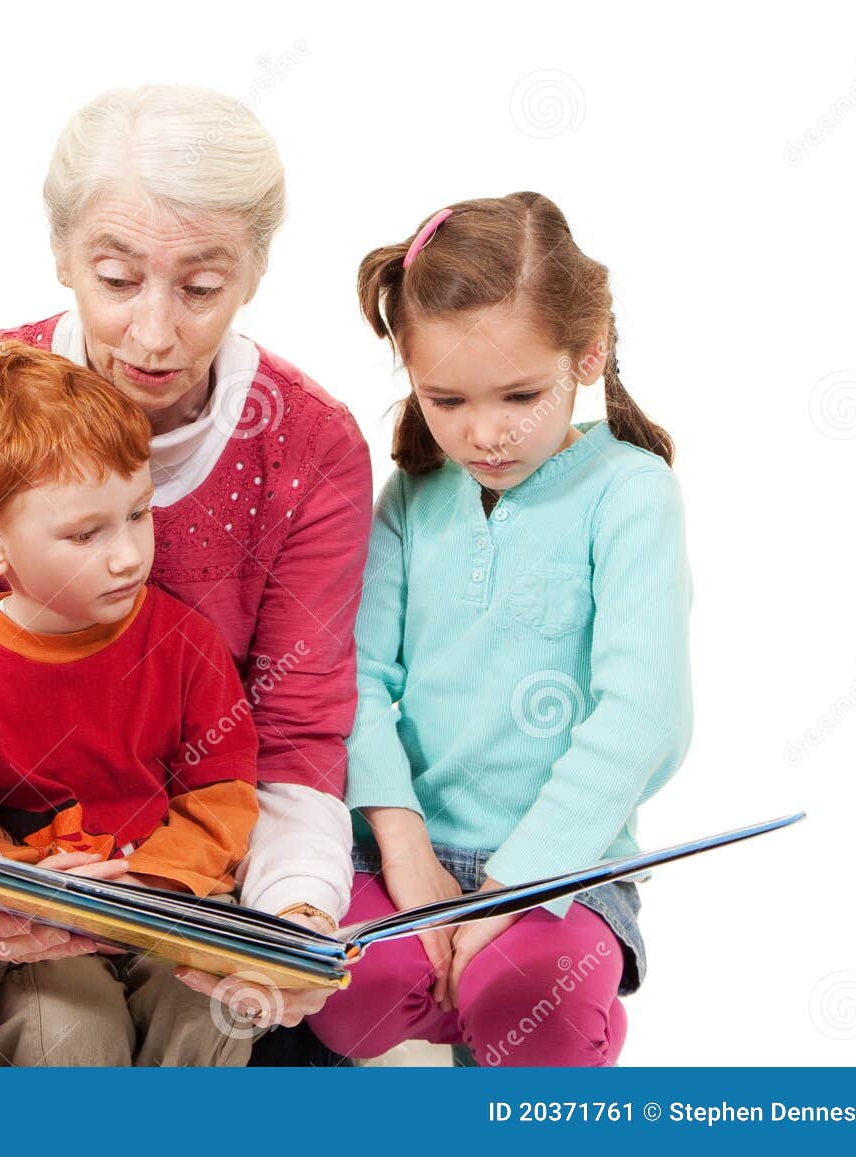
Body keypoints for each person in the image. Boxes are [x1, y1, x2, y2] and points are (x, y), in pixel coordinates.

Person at [0, 87, 372, 1037]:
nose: (155, 336)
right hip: (8, 867)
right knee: (63, 1032)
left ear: (259, 269)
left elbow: (297, 731)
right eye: (115, 279)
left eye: (201, 287)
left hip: (201, 873)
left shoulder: (310, 446)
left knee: (213, 1022)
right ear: (62, 253)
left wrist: (295, 916)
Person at [308, 193, 693, 1066]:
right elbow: (355, 676)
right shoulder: (411, 496)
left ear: (587, 354)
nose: (483, 433)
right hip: (401, 851)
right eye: (446, 399)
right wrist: (401, 841)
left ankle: (560, 1013)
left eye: (521, 394)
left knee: (527, 1001)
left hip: (565, 867)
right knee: (346, 992)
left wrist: (517, 888)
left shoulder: (631, 492)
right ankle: (472, 1011)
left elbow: (644, 714)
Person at [0, 341, 259, 1065]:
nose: (128, 555)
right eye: (85, 533)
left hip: (171, 904)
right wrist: (21, 882)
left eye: (138, 514)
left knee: (212, 1007)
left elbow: (223, 791)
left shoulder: (183, 641)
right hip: (37, 929)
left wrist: (153, 878)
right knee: (66, 1030)